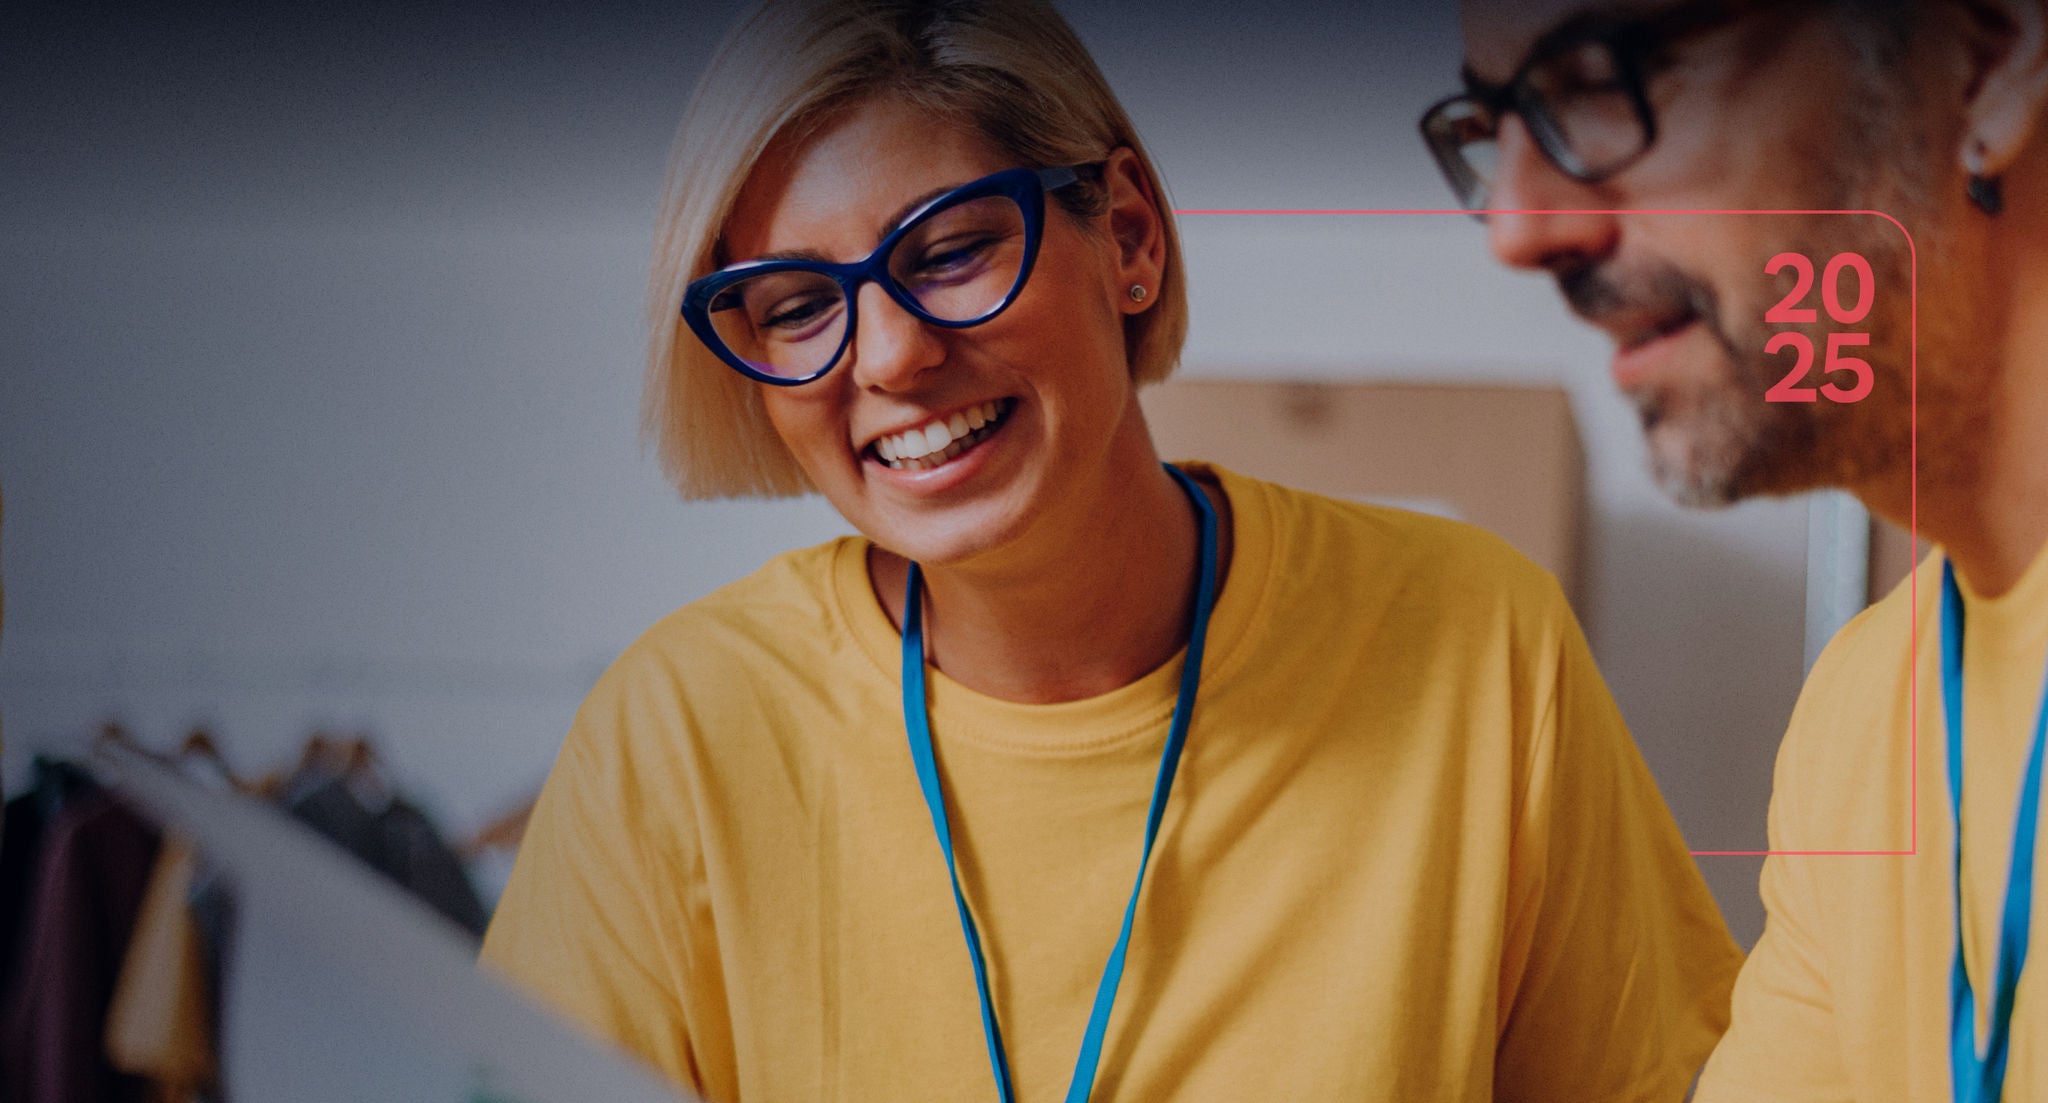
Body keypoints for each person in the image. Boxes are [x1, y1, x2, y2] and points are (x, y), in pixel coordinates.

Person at [480, 1, 1740, 1099]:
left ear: (1128, 237)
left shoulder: (1476, 639)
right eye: (798, 303)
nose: (888, 356)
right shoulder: (673, 733)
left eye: (951, 248)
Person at [1429, 0, 2048, 1098]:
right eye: (1497, 122)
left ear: (1986, 55)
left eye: (1601, 74)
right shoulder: (1865, 708)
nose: (1520, 229)